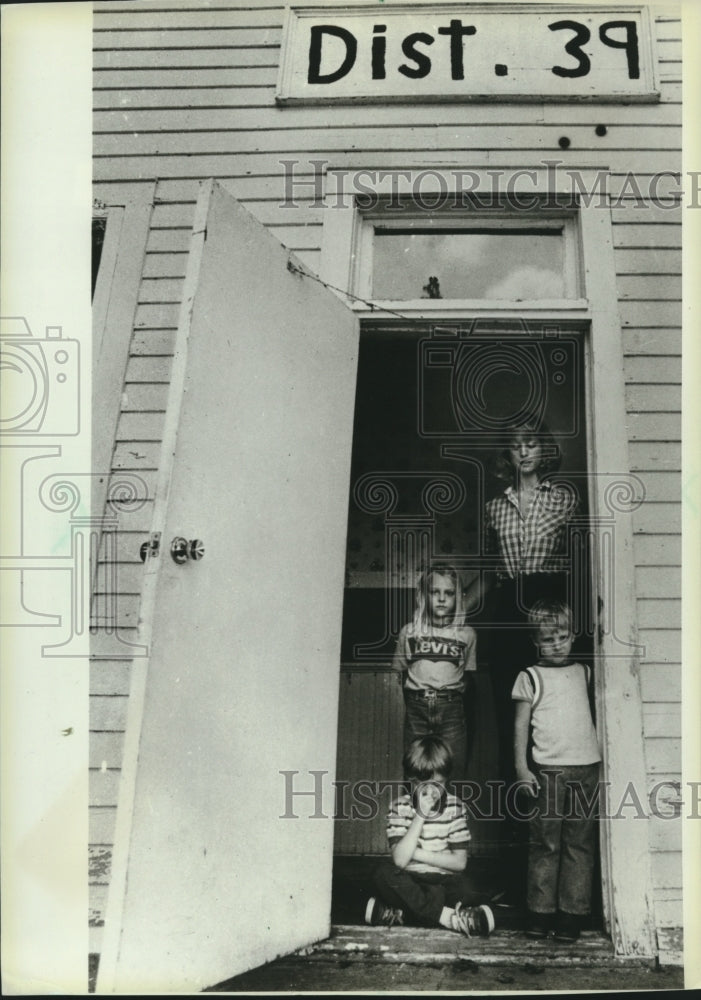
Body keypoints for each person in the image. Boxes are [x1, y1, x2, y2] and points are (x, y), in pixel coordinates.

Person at [463, 420, 580, 787]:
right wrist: (453, 612)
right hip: (509, 609)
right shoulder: (494, 508)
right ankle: (518, 825)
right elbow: (487, 571)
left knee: (553, 709)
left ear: (544, 449)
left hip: (550, 604)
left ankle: (555, 806)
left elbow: (581, 563)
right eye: (516, 445)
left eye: (532, 444)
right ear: (507, 454)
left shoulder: (564, 499)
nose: (525, 451)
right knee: (510, 707)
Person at [512, 599, 601, 943]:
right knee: (545, 843)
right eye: (546, 639)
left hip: (587, 770)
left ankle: (571, 916)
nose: (555, 644)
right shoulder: (529, 677)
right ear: (535, 641)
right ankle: (540, 912)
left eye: (562, 636)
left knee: (579, 844)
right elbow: (520, 727)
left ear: (574, 635)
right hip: (548, 771)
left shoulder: (585, 672)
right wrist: (522, 768)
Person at [365, 735, 495, 937]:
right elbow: (400, 861)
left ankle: (399, 914)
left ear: (447, 780)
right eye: (424, 785)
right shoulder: (399, 808)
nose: (432, 792)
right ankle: (449, 918)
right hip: (411, 878)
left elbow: (459, 863)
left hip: (443, 880)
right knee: (383, 874)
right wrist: (420, 815)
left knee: (468, 888)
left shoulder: (455, 807)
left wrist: (415, 853)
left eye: (439, 784)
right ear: (412, 781)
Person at [392, 564, 477, 784]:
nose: (441, 599)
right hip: (416, 708)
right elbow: (401, 675)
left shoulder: (467, 634)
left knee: (453, 769)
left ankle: (452, 818)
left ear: (457, 597)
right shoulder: (409, 631)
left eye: (448, 593)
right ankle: (412, 817)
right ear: (423, 595)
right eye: (434, 592)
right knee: (414, 767)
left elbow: (467, 677)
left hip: (451, 710)